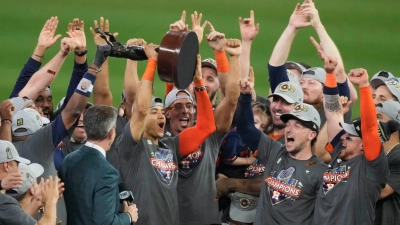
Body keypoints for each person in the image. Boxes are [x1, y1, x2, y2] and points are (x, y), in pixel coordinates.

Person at [117, 37, 216, 224]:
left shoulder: (170, 146)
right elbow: (140, 108)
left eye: (162, 112)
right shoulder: (131, 144)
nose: (161, 116)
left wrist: (198, 81)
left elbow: (206, 127)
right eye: (154, 112)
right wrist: (152, 62)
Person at [226, 69, 327, 224]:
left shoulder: (320, 172)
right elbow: (245, 127)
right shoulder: (274, 151)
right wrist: (245, 96)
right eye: (289, 123)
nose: (289, 129)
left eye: (298, 125)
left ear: (311, 135)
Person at [313, 61, 389, 224]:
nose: (342, 137)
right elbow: (333, 114)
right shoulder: (339, 154)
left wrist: (363, 86)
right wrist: (330, 75)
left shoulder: (371, 168)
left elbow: (369, 128)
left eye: (349, 136)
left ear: (364, 145)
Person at [60, 105, 138, 224]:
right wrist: (128, 216)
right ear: (112, 133)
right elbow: (105, 222)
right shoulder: (108, 173)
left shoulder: (68, 159)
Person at [0, 140, 60, 225]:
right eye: (17, 165)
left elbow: (16, 219)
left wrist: (36, 201)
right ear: (6, 166)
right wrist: (51, 201)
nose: (18, 170)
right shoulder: (4, 202)